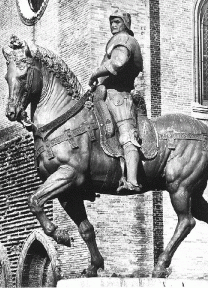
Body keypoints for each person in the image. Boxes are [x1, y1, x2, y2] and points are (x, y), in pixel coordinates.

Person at [88, 9, 143, 192]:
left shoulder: (125, 41)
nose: (113, 25)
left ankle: (132, 181)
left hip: (120, 97)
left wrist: (95, 73)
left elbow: (117, 63)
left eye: (117, 22)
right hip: (105, 95)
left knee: (127, 136)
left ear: (125, 24)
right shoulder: (115, 41)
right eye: (111, 21)